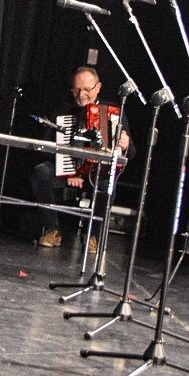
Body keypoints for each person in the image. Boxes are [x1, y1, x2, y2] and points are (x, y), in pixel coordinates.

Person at [30, 65, 131, 248]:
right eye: (76, 90)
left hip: (97, 173)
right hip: (66, 170)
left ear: (98, 87)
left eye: (86, 89)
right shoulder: (62, 110)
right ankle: (52, 229)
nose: (81, 94)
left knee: (108, 185)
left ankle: (92, 234)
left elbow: (131, 154)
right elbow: (46, 147)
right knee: (41, 172)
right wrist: (69, 170)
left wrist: (126, 144)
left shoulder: (114, 112)